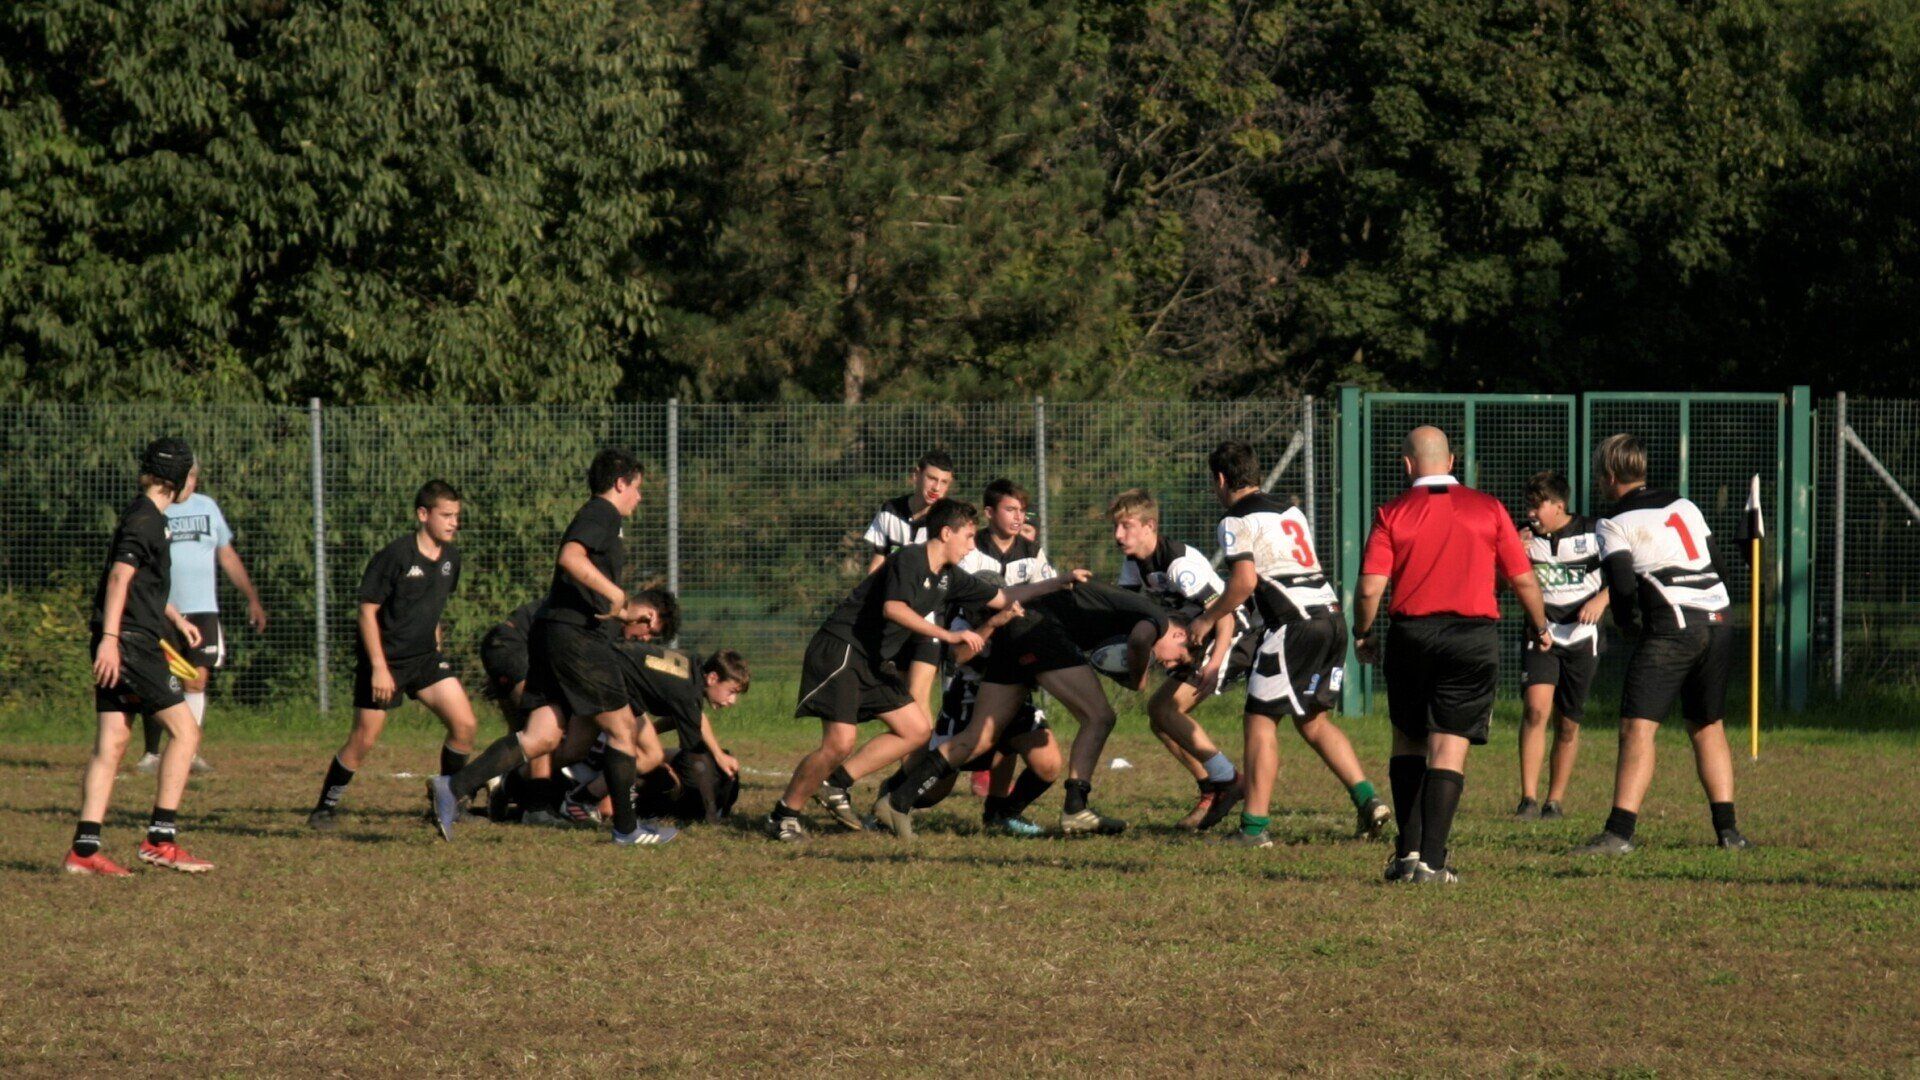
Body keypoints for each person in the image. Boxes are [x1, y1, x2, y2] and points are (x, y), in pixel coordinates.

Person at [767, 498, 1081, 842]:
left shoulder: (949, 577)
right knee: (840, 742)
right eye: (968, 536)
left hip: (872, 659)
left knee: (916, 731)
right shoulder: (910, 559)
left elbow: (1002, 597)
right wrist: (946, 633)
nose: (972, 545)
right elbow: (893, 608)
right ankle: (784, 815)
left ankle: (835, 784)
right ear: (946, 533)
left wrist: (1060, 581)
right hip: (843, 648)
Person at [432, 448, 672, 846]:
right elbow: (571, 558)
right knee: (622, 728)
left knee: (541, 736)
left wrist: (622, 612)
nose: (639, 497)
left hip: (553, 631)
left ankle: (453, 787)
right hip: (575, 639)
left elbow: (581, 589)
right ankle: (627, 830)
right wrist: (615, 593)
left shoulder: (599, 516)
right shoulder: (602, 514)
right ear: (619, 483)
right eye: (637, 488)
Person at [1353, 427, 1552, 884]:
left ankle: (1406, 854)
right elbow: (1522, 579)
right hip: (1472, 639)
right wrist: (1541, 625)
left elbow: (1369, 588)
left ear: (1407, 465)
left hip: (1411, 636)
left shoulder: (1392, 512)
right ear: (1451, 461)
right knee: (1449, 745)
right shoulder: (1489, 509)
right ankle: (1434, 862)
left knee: (1408, 740)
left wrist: (1363, 633)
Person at [1189, 444, 1390, 848]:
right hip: (1330, 616)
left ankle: (1253, 829)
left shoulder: (1233, 520)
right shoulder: (1289, 510)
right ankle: (1369, 801)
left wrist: (1207, 618)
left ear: (1221, 480)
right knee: (1312, 720)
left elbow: (1245, 582)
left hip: (1293, 625)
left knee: (1260, 721)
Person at [872, 579, 1182, 838]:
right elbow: (1141, 641)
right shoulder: (1158, 619)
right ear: (1179, 634)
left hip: (1020, 631)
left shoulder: (1128, 607)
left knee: (978, 737)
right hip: (1039, 630)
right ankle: (1076, 806)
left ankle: (897, 801)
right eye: (1180, 656)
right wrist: (1140, 680)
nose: (1170, 663)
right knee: (1099, 717)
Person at [1573, 435, 1753, 855]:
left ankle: (1618, 834)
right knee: (1708, 726)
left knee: (1637, 727)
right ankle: (1729, 833)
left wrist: (1629, 626)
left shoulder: (1613, 522)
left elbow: (1620, 585)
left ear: (1610, 475)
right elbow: (1718, 565)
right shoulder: (1684, 505)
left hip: (1673, 625)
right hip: (1720, 618)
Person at [66, 437, 215, 875]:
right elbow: (118, 578)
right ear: (177, 479)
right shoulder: (146, 521)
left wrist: (173, 615)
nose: (195, 483)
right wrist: (112, 639)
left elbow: (140, 583)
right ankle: (160, 839)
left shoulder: (147, 516)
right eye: (192, 475)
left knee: (111, 743)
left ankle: (84, 850)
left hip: (128, 635)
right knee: (186, 733)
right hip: (130, 642)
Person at [307, 481, 479, 830]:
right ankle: (324, 807)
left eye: (456, 516)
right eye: (446, 516)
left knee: (465, 726)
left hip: (425, 659)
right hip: (386, 662)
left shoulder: (451, 559)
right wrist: (379, 669)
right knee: (364, 738)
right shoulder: (395, 556)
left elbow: (432, 607)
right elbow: (368, 611)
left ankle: (448, 802)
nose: (453, 523)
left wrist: (436, 645)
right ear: (422, 514)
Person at [1110, 488, 1253, 831]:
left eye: (1126, 526)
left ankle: (1230, 780)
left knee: (1165, 711)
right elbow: (1124, 612)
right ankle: (1212, 789)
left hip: (1231, 638)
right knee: (1159, 719)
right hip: (1200, 640)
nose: (1118, 536)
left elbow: (1226, 615)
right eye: (1115, 527)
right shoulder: (1135, 563)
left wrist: (1215, 666)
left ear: (1149, 526)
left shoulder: (1178, 564)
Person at [478, 590, 675, 821]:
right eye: (650, 632)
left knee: (524, 740)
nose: (646, 639)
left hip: (511, 647)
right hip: (516, 646)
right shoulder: (610, 618)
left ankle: (499, 788)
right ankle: (534, 808)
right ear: (649, 615)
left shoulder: (612, 616)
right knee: (544, 727)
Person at [137, 459, 267, 776]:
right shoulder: (153, 510)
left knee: (196, 678)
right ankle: (152, 753)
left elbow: (226, 553)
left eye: (194, 477)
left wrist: (252, 597)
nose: (190, 483)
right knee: (160, 679)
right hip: (162, 608)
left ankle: (188, 750)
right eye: (186, 477)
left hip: (202, 608)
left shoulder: (207, 506)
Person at [1514, 470, 1607, 820]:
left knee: (1568, 724)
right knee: (1536, 709)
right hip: (1542, 635)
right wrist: (1514, 555)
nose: (1532, 513)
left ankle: (1554, 801)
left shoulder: (1595, 532)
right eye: (1529, 506)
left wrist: (1602, 601)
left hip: (1583, 637)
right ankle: (1527, 799)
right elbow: (1501, 582)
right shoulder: (1521, 537)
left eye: (1538, 506)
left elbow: (1629, 574)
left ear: (1560, 505)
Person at [861, 450, 958, 749]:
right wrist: (869, 603)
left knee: (918, 696)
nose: (936, 488)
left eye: (944, 482)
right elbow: (877, 563)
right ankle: (910, 774)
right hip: (896, 619)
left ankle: (914, 779)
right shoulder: (890, 511)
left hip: (928, 621)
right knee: (904, 701)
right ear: (916, 475)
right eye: (931, 478)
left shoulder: (946, 520)